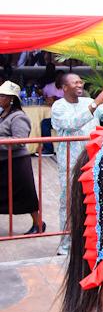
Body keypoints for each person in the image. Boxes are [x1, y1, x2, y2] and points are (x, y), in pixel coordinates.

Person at [51, 74, 103, 254]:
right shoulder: (58, 106)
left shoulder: (88, 101)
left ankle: (92, 242)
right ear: (64, 87)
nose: (80, 84)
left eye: (81, 81)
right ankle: (66, 246)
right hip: (70, 162)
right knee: (69, 202)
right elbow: (71, 124)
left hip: (93, 160)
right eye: (75, 82)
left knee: (94, 200)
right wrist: (95, 103)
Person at [0, 81, 45, 235]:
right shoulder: (3, 114)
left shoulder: (18, 117)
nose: (0, 98)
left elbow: (20, 140)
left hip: (16, 163)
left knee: (26, 196)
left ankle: (38, 224)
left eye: (3, 96)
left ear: (11, 99)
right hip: (4, 162)